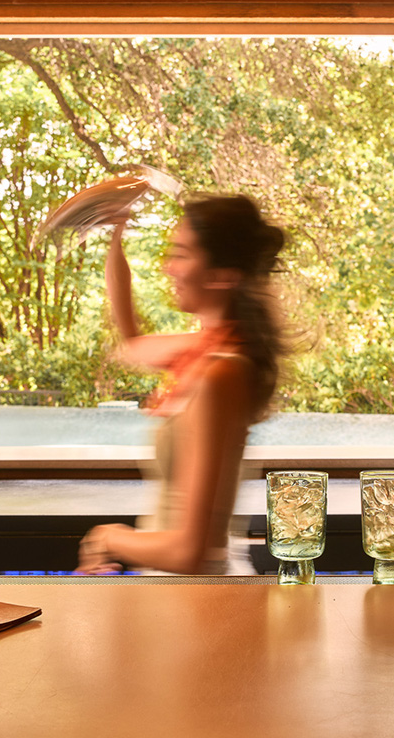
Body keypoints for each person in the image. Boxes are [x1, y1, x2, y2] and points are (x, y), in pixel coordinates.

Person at [76, 193, 286, 575]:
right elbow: (131, 346)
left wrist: (107, 537)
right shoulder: (208, 351)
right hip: (179, 595)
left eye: (182, 254)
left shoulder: (222, 373)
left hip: (198, 603)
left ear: (222, 275)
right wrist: (117, 232)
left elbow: (190, 551)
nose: (167, 267)